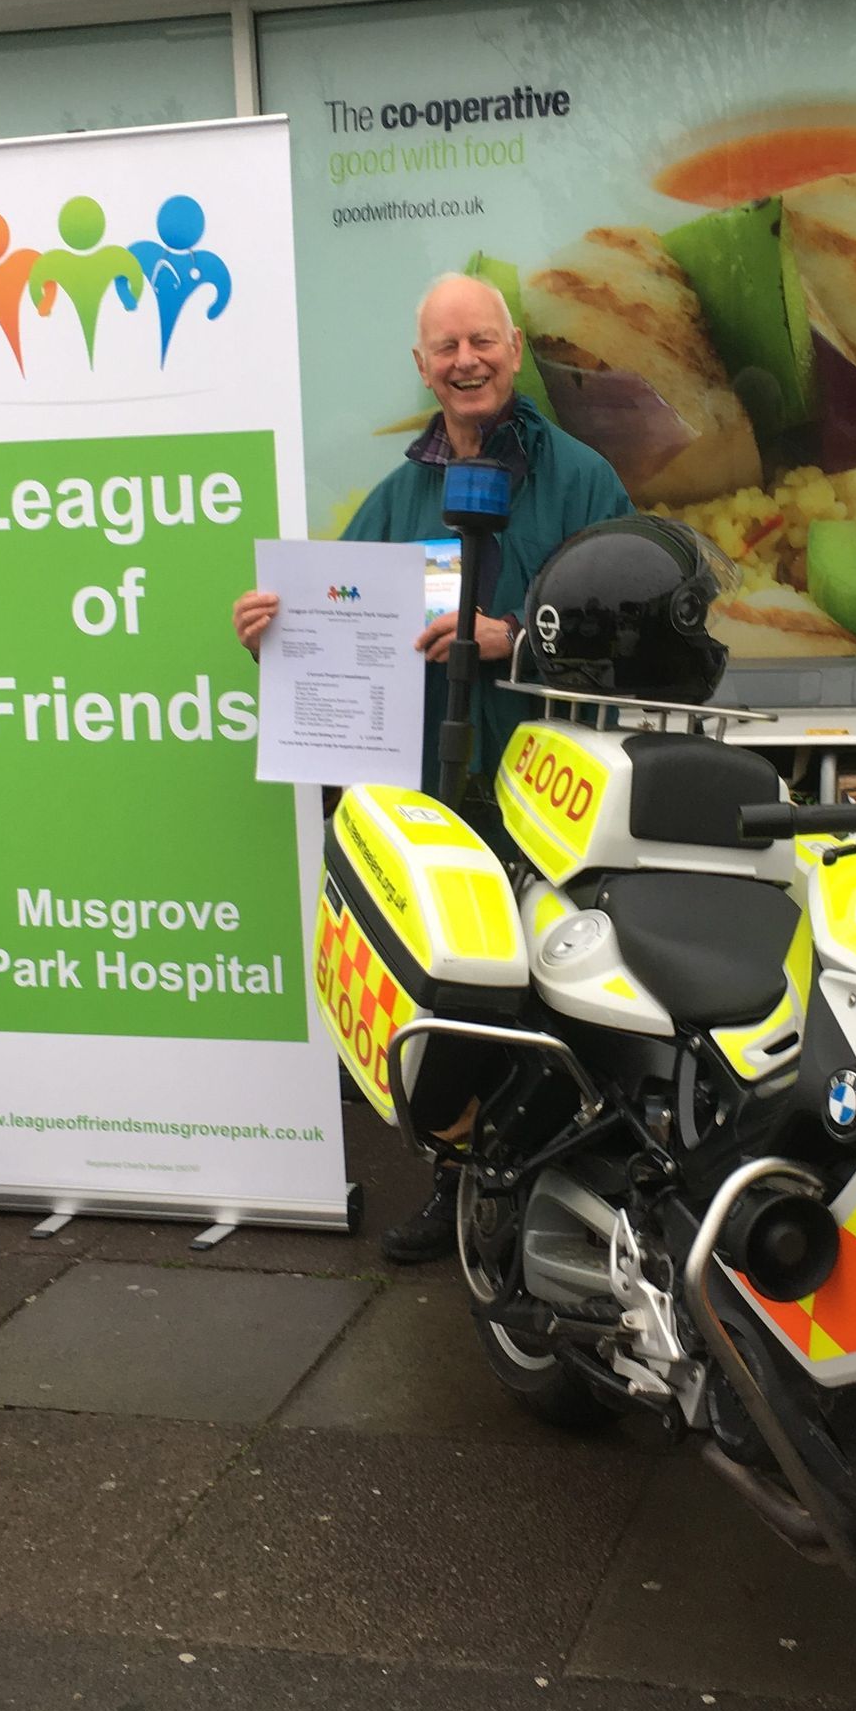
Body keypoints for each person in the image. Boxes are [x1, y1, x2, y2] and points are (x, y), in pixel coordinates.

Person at [234, 272, 629, 1260]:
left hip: (549, 801)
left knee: (551, 1003)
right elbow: (342, 622)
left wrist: (516, 641)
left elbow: (635, 629)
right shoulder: (396, 495)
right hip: (427, 804)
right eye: (446, 348)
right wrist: (277, 634)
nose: (466, 362)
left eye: (482, 342)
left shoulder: (582, 480)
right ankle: (460, 1194)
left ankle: (559, 1199)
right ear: (422, 365)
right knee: (446, 1005)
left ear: (513, 347)